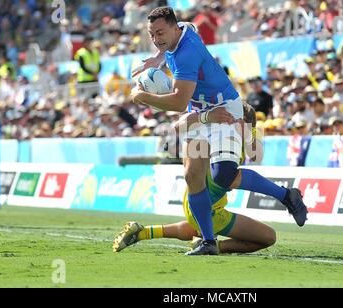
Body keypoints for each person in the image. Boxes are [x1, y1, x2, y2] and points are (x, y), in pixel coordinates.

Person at [129, 7, 307, 256]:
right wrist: (158, 57)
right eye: (152, 35)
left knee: (223, 174)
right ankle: (209, 242)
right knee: (192, 176)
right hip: (199, 113)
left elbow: (178, 104)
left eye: (160, 33)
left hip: (223, 108)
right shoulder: (183, 31)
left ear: (173, 27)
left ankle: (287, 195)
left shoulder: (185, 55)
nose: (157, 39)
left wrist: (142, 97)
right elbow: (189, 26)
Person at [113, 103, 276, 254]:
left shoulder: (233, 132)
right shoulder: (217, 135)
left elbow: (257, 155)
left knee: (199, 227)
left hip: (198, 200)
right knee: (269, 237)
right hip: (208, 205)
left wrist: (247, 133)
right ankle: (213, 245)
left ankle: (143, 232)